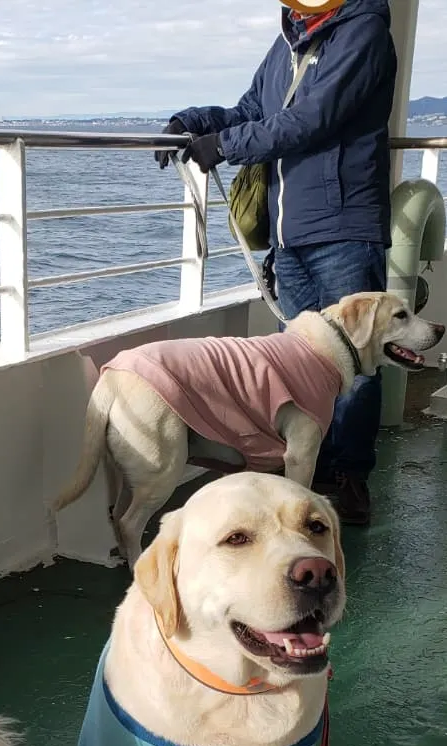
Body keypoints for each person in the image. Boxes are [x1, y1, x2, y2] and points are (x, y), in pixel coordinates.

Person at [155, 0, 397, 526]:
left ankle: (347, 477)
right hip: (288, 235)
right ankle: (305, 479)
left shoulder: (362, 32)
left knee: (357, 363)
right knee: (301, 364)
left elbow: (313, 119)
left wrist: (224, 146)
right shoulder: (287, 43)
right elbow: (251, 112)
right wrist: (190, 123)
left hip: (343, 226)